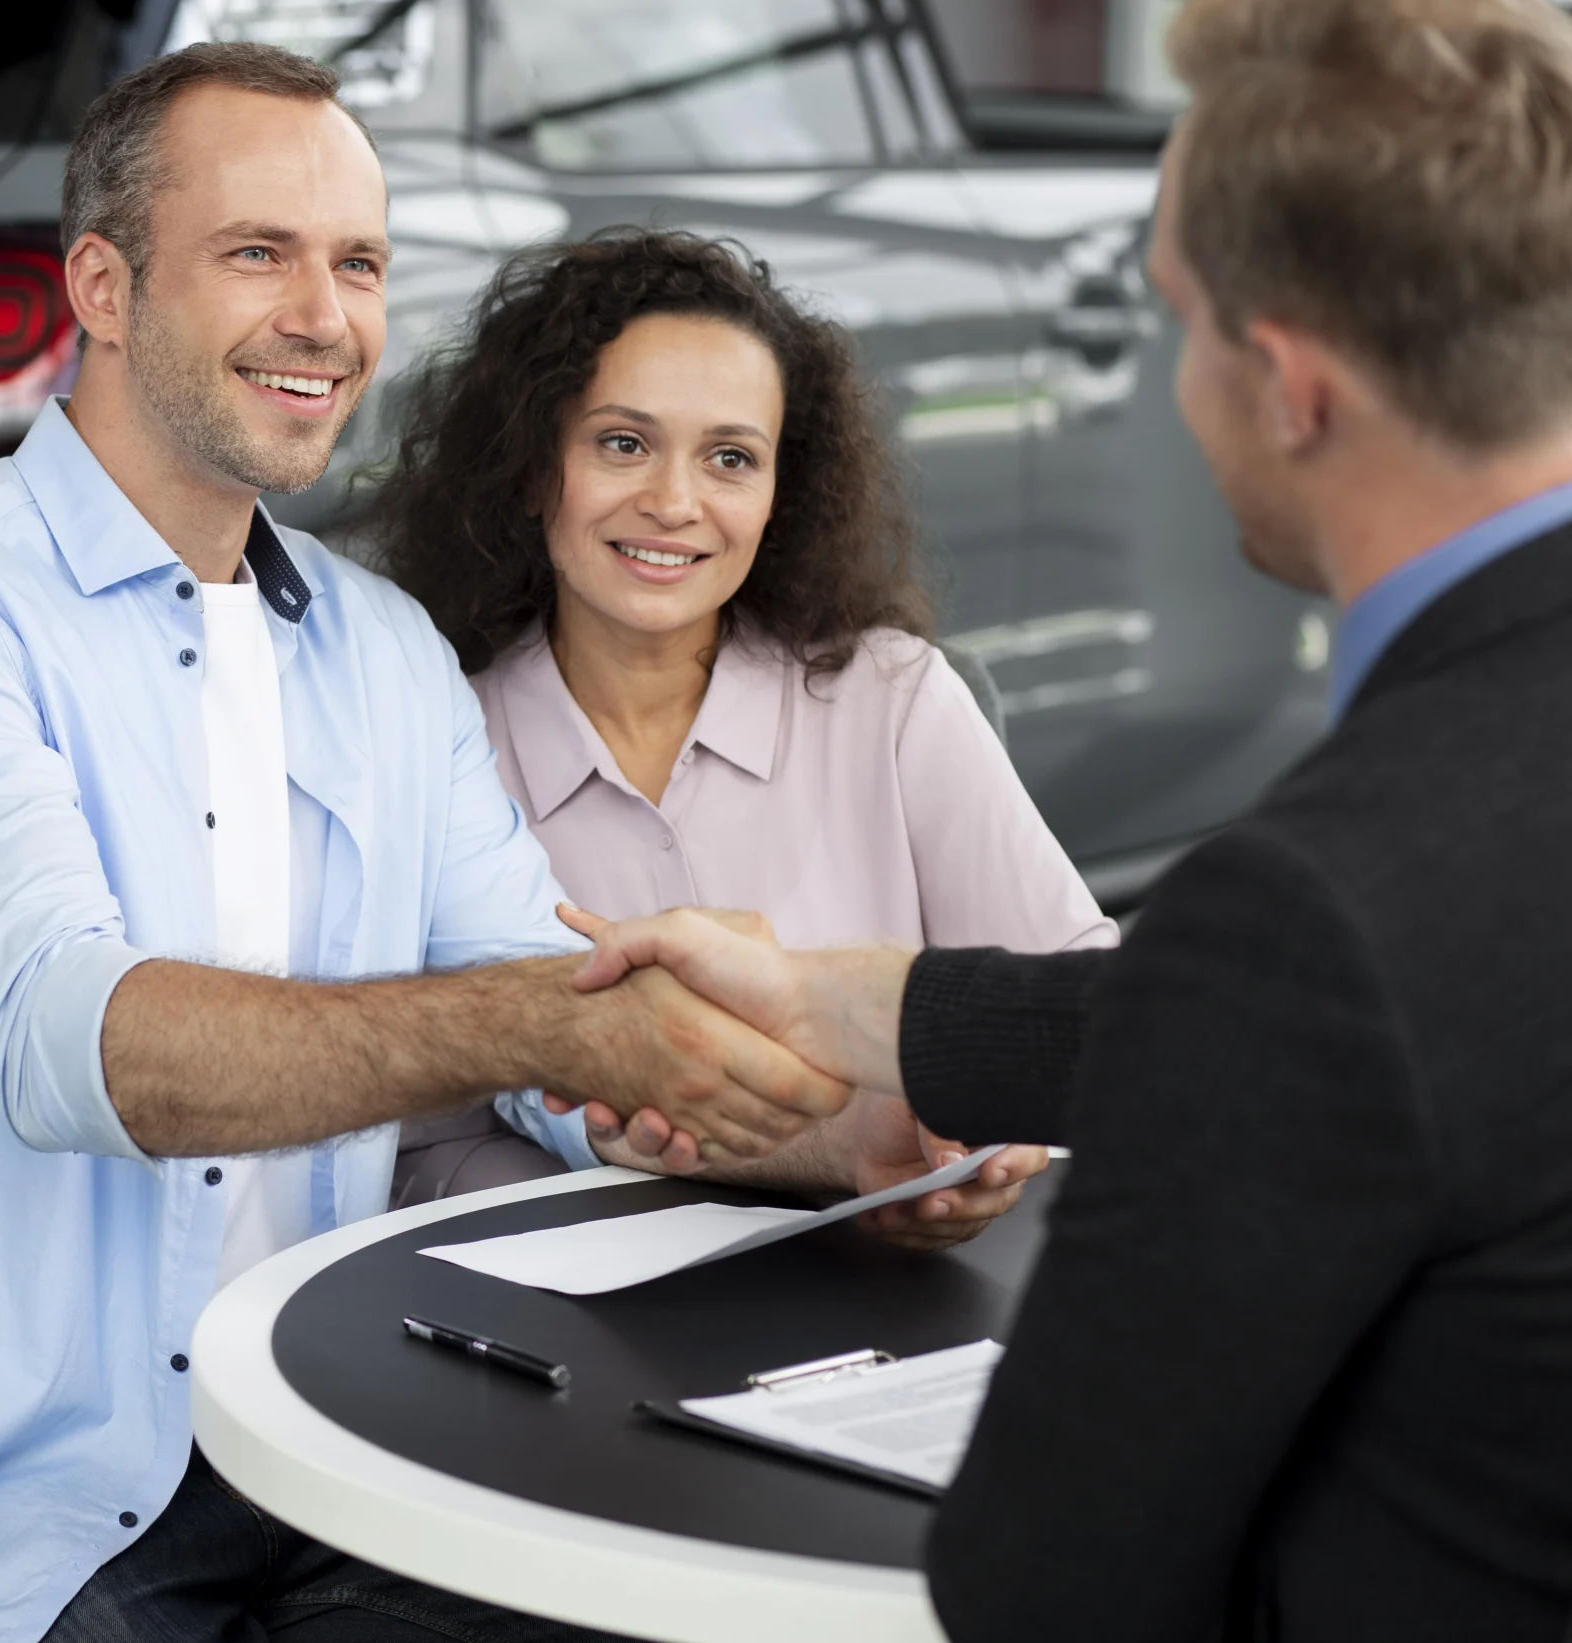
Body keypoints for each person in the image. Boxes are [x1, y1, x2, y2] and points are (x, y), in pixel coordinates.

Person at [0, 43, 1020, 1643]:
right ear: (101, 286)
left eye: (360, 264)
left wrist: (857, 1153)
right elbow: (85, 1050)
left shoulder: (378, 650)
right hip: (2, 1505)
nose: (325, 316)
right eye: (259, 252)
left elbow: (553, 1027)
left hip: (329, 1452)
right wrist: (548, 1017)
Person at [565, 0, 1572, 1639]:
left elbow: (1039, 1571)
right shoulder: (1409, 886)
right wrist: (828, 998)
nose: (1171, 389)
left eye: (1180, 326)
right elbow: (1356, 1027)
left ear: (1295, 379)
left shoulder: (1321, 910)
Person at [377, 231, 1111, 1206]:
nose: (674, 502)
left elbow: (1084, 1013)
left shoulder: (893, 700)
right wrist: (646, 1189)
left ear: (779, 497)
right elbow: (421, 1144)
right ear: (529, 469)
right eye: (622, 443)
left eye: (730, 458)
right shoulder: (435, 745)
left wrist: (969, 1150)